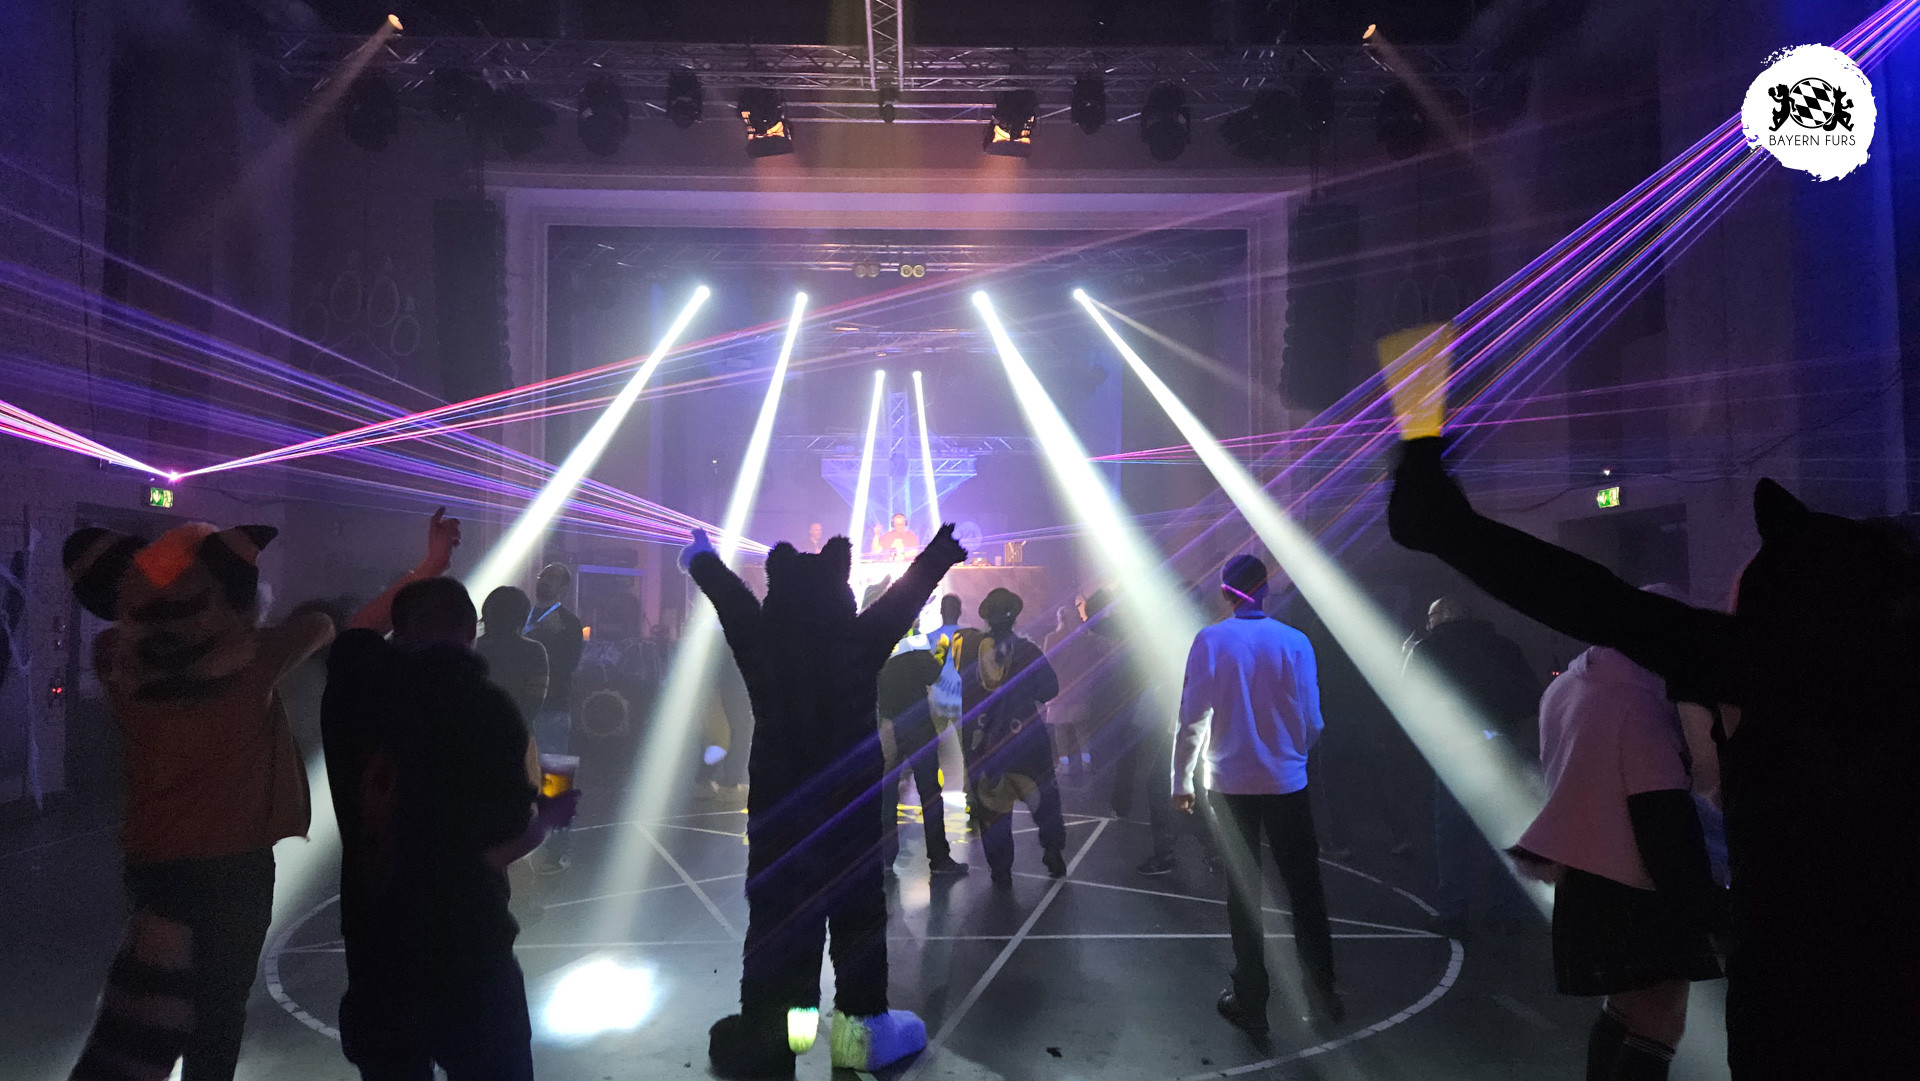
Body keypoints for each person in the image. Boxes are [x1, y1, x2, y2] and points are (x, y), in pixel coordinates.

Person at [1388, 435, 1920, 1079]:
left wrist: (1448, 527)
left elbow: (1597, 603)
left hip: (1789, 987)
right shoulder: (1869, 671)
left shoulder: (1769, 665)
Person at [684, 524, 966, 1077]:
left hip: (778, 812)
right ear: (841, 586)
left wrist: (701, 558)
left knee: (776, 916)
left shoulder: (761, 641)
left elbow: (730, 599)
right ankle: (862, 1029)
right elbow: (902, 601)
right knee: (858, 917)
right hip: (849, 811)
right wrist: (938, 554)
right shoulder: (857, 642)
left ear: (778, 589)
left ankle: (775, 1028)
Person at [61, 522, 332, 1081]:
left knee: (154, 993)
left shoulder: (114, 658)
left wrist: (181, 557)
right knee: (219, 1011)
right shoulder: (255, 657)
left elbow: (138, 624)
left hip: (155, 860)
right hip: (234, 866)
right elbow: (323, 624)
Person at [323, 511, 577, 1081]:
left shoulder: (353, 690)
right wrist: (550, 812)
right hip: (467, 946)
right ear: (470, 633)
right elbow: (503, 843)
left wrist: (429, 565)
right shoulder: (487, 707)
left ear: (398, 629)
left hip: (376, 944)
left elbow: (357, 630)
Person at [1507, 611, 1725, 1081]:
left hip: (1586, 875)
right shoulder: (1638, 703)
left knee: (1623, 1010)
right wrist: (1706, 907)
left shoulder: (1569, 685)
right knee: (1659, 1019)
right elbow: (1660, 811)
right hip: (1639, 882)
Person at [1173, 555, 1342, 1038]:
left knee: (1244, 892)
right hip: (1287, 783)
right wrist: (1290, 756)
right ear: (1266, 589)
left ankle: (1251, 1001)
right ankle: (1322, 996)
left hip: (1229, 785)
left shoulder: (1210, 640)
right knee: (1305, 890)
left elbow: (1191, 719)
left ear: (1225, 593)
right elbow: (1313, 721)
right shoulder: (1295, 641)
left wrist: (1180, 781)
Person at [1405, 594, 1542, 933]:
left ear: (1439, 617)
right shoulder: (1504, 647)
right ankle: (1509, 910)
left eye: (1430, 618)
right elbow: (1531, 696)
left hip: (1453, 750)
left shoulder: (1428, 648)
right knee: (1505, 826)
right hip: (1501, 745)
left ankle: (1455, 911)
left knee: (1452, 833)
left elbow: (1408, 700)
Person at [955, 587, 1064, 887]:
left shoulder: (970, 654)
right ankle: (1053, 852)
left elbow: (962, 697)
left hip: (986, 744)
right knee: (1044, 800)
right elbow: (1050, 689)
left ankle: (1000, 871)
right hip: (1027, 739)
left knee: (993, 811)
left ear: (986, 618)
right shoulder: (1027, 651)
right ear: (1015, 617)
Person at [877, 632, 968, 876]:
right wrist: (942, 650)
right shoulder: (914, 650)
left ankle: (885, 857)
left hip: (884, 726)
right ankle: (939, 858)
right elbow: (934, 674)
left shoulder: (878, 649)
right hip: (917, 728)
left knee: (886, 796)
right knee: (929, 795)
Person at [476, 586, 549, 724]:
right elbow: (534, 703)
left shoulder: (471, 649)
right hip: (517, 730)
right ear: (522, 616)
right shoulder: (534, 651)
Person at [1042, 603, 1090, 777]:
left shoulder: (1052, 638)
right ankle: (1087, 762)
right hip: (1078, 687)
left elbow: (1046, 662)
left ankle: (1065, 765)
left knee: (1060, 731)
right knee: (1082, 730)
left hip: (1059, 689)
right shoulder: (1082, 638)